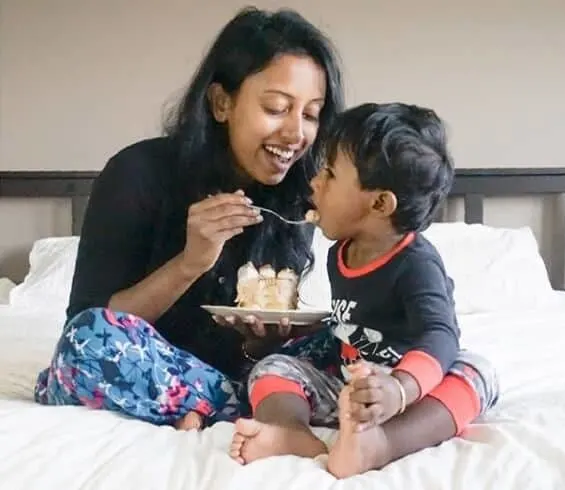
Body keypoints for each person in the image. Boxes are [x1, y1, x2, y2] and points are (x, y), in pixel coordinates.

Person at [33, 6, 344, 429]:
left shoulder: (294, 198)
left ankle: (218, 404)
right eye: (276, 108)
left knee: (370, 342)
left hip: (233, 373)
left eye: (310, 114)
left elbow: (255, 351)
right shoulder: (138, 172)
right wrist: (190, 262)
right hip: (143, 363)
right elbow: (92, 322)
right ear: (221, 103)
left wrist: (260, 344)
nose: (295, 134)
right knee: (87, 343)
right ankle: (263, 403)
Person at [229, 103, 500, 478]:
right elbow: (351, 322)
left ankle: (383, 444)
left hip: (413, 393)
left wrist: (399, 389)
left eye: (330, 173)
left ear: (378, 203)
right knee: (273, 368)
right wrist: (295, 331)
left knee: (477, 372)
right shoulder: (340, 252)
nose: (314, 182)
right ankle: (291, 433)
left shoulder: (416, 263)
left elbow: (439, 334)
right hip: (352, 392)